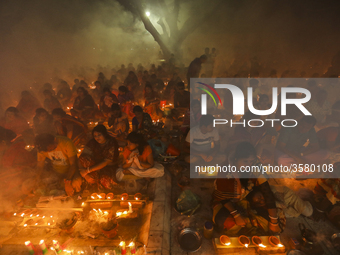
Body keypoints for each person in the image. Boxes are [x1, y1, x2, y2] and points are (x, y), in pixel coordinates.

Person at [212, 142, 281, 235]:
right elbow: (223, 198)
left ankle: (249, 220)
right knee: (225, 222)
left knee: (273, 220)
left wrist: (274, 222)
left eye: (251, 161)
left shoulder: (255, 166)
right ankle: (250, 221)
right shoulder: (225, 171)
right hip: (228, 202)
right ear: (236, 159)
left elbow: (266, 191)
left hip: (247, 197)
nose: (249, 165)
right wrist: (236, 215)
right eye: (245, 161)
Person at [79, 125, 119, 189]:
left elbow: (106, 161)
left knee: (105, 181)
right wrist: (85, 174)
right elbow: (81, 157)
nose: (97, 138)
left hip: (108, 167)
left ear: (104, 134)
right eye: (95, 136)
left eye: (99, 135)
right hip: (95, 165)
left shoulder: (112, 142)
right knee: (84, 159)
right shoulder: (92, 142)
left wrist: (87, 171)